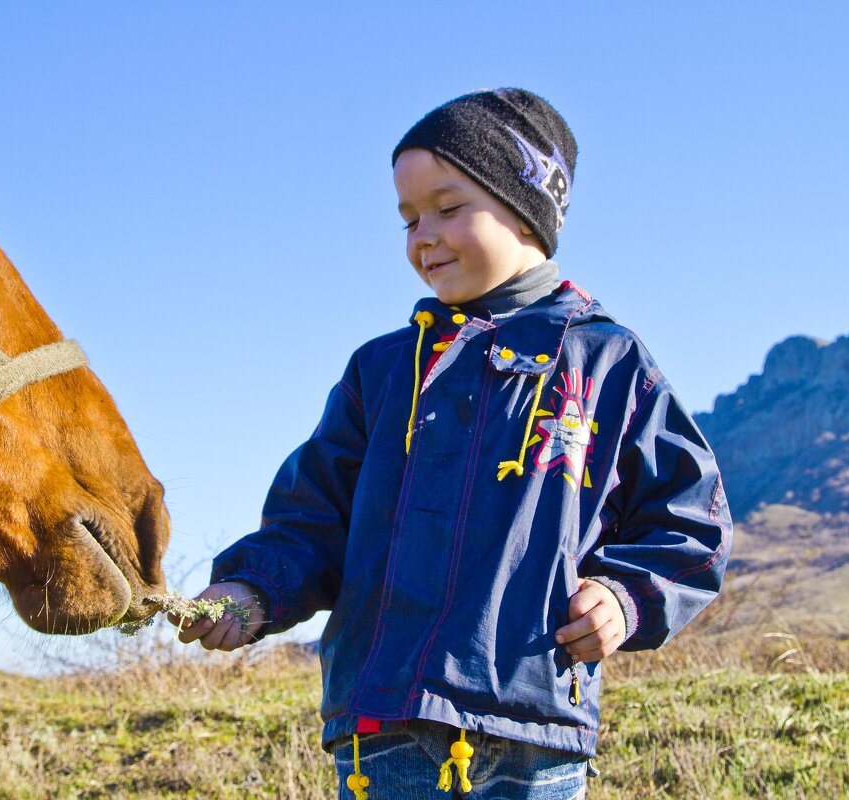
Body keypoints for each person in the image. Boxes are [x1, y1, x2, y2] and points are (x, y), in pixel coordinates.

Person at [174, 88, 731, 799]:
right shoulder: (381, 372)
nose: (422, 236)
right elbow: (312, 521)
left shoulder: (606, 363)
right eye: (406, 219)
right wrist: (253, 588)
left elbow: (691, 521)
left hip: (533, 733)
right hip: (387, 730)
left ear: (526, 209)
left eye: (447, 207)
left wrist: (625, 598)